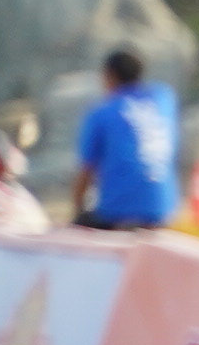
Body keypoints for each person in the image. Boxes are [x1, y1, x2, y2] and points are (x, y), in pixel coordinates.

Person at [74, 48, 178, 230]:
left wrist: (77, 212)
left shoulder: (102, 113)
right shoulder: (164, 99)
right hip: (163, 211)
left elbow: (86, 170)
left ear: (110, 75)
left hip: (116, 213)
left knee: (81, 223)